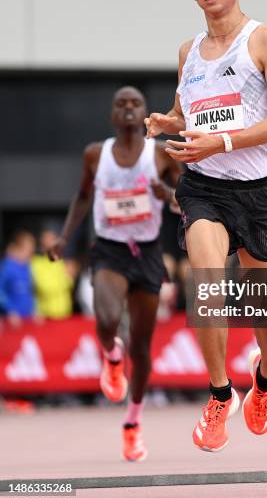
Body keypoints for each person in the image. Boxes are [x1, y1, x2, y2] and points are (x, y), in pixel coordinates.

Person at [145, 0, 267, 452]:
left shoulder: (265, 40)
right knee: (207, 281)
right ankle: (217, 394)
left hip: (258, 190)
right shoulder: (189, 51)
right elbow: (190, 113)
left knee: (263, 306)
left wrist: (222, 140)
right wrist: (168, 122)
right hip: (203, 187)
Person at [48, 86, 181, 461]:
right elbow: (83, 196)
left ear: (144, 114)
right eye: (120, 103)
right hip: (108, 250)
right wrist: (63, 237)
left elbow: (187, 197)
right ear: (112, 114)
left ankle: (133, 423)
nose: (127, 108)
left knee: (142, 345)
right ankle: (111, 356)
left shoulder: (161, 154)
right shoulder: (96, 154)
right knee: (106, 322)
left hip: (148, 253)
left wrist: (166, 193)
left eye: (134, 103)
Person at [31, 229, 75, 319]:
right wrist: (66, 279)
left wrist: (69, 278)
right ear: (42, 244)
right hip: (46, 316)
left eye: (53, 240)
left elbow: (71, 284)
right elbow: (44, 288)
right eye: (49, 241)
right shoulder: (36, 263)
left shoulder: (61, 262)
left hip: (65, 315)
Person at [0, 230, 36, 327]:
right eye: (29, 247)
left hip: (27, 319)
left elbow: (30, 291)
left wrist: (35, 310)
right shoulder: (7, 266)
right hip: (10, 321)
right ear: (20, 247)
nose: (32, 250)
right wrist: (10, 311)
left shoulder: (27, 266)